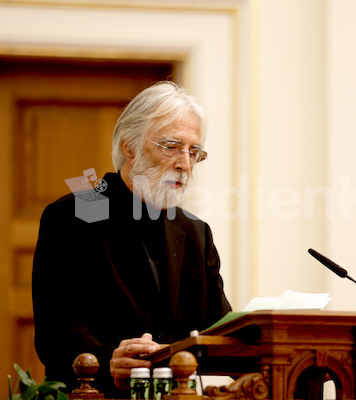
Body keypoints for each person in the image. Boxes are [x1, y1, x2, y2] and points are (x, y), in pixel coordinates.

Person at [32, 81, 232, 398]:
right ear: (130, 146)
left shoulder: (196, 232)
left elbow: (217, 329)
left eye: (193, 152)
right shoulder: (71, 215)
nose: (184, 163)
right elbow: (56, 333)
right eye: (171, 146)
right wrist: (108, 360)